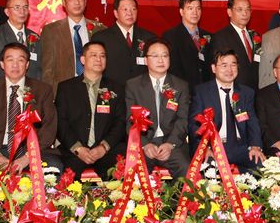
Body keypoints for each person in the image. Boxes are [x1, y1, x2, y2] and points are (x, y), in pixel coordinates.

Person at [0, 43, 62, 172]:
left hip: (31, 150)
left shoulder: (42, 90)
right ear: (2, 64)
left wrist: (27, 157)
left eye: (20, 60)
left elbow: (49, 128)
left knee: (54, 166)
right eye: (10, 60)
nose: (15, 65)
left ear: (27, 64)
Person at [55, 42, 127, 181]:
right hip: (75, 149)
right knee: (68, 182)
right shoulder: (66, 88)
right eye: (93, 55)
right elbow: (60, 123)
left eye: (102, 56)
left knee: (116, 178)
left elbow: (120, 122)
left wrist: (104, 147)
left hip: (107, 149)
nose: (98, 59)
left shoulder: (117, 88)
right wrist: (78, 148)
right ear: (83, 59)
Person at [187, 50, 265, 172]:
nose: (229, 70)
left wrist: (255, 146)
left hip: (241, 147)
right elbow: (194, 125)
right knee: (209, 171)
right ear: (214, 68)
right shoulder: (201, 92)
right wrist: (204, 148)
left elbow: (252, 122)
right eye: (224, 65)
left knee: (261, 166)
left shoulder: (246, 92)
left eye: (233, 65)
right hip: (212, 147)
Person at [123, 38, 191, 178]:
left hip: (172, 144)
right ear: (146, 60)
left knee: (186, 169)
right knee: (134, 173)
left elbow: (183, 119)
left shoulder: (180, 86)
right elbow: (130, 120)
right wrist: (145, 145)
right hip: (144, 144)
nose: (161, 60)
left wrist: (170, 144)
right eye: (155, 56)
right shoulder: (133, 86)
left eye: (165, 55)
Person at [40, 0, 105, 91]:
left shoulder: (99, 29)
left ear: (85, 2)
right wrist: (54, 95)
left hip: (94, 89)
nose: (77, 2)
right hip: (64, 92)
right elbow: (47, 70)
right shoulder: (51, 31)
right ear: (64, 3)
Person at [91, 0, 156, 86]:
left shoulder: (149, 37)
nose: (129, 13)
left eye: (133, 9)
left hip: (141, 91)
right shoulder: (101, 38)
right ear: (116, 13)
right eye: (125, 9)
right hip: (112, 91)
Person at [0, 0, 42, 81]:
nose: (22, 11)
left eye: (25, 7)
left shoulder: (34, 37)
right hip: (4, 88)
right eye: (17, 7)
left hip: (32, 88)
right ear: (7, 12)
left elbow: (39, 70)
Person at [209, 0, 261, 90]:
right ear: (229, 12)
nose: (245, 13)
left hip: (255, 91)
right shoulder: (220, 37)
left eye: (248, 9)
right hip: (234, 91)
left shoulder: (255, 35)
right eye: (240, 9)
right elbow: (219, 69)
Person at [162, 0, 214, 89]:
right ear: (181, 11)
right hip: (183, 90)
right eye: (190, 8)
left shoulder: (208, 36)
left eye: (198, 8)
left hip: (206, 90)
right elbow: (172, 68)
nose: (195, 12)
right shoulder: (170, 36)